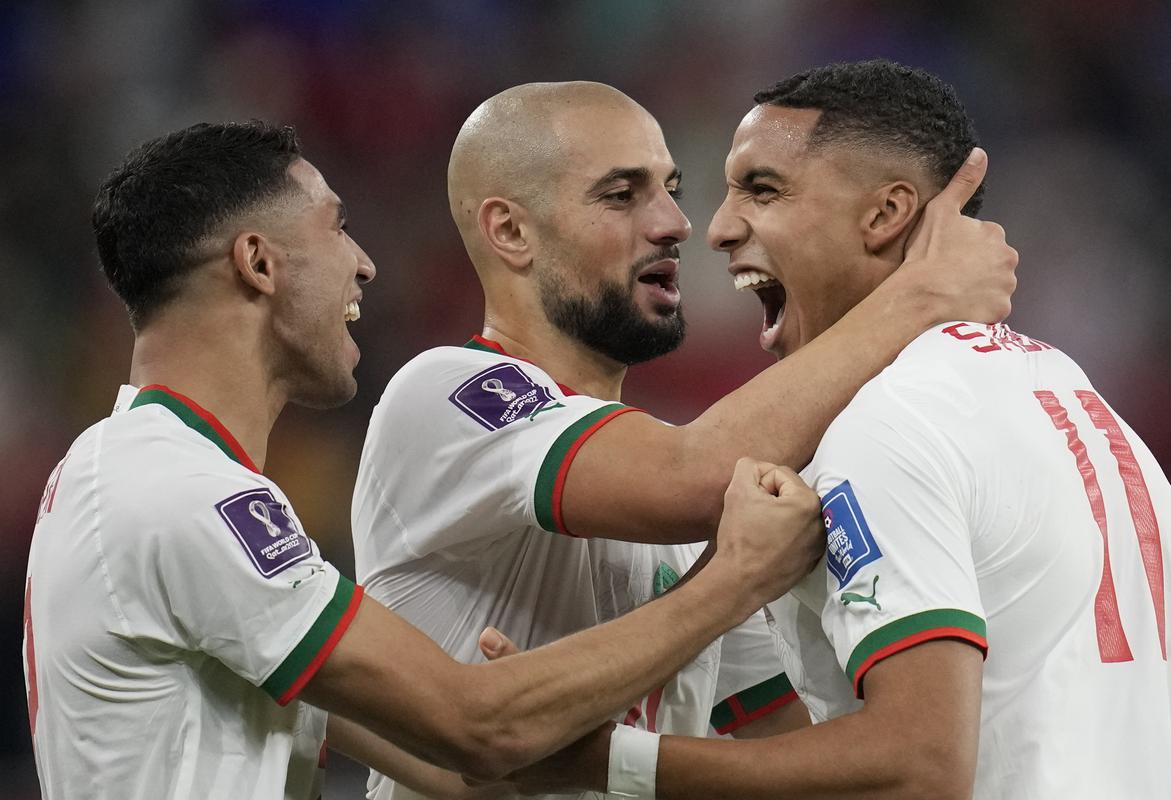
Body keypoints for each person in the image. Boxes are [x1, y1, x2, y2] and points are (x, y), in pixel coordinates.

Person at [19, 120, 826, 800]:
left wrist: (547, 705)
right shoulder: (174, 489)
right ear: (258, 263)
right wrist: (733, 579)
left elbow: (478, 768)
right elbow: (478, 724)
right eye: (336, 227)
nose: (363, 262)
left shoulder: (142, 475)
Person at [494, 61, 1171, 800]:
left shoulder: (888, 424)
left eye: (763, 189)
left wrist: (609, 764)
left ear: (885, 214)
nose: (719, 227)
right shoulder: (1086, 411)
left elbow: (920, 768)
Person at [351, 81, 1017, 798]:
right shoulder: (445, 394)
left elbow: (779, 752)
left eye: (670, 188)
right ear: (511, 232)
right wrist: (920, 294)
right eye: (620, 195)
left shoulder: (686, 507)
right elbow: (688, 479)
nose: (674, 222)